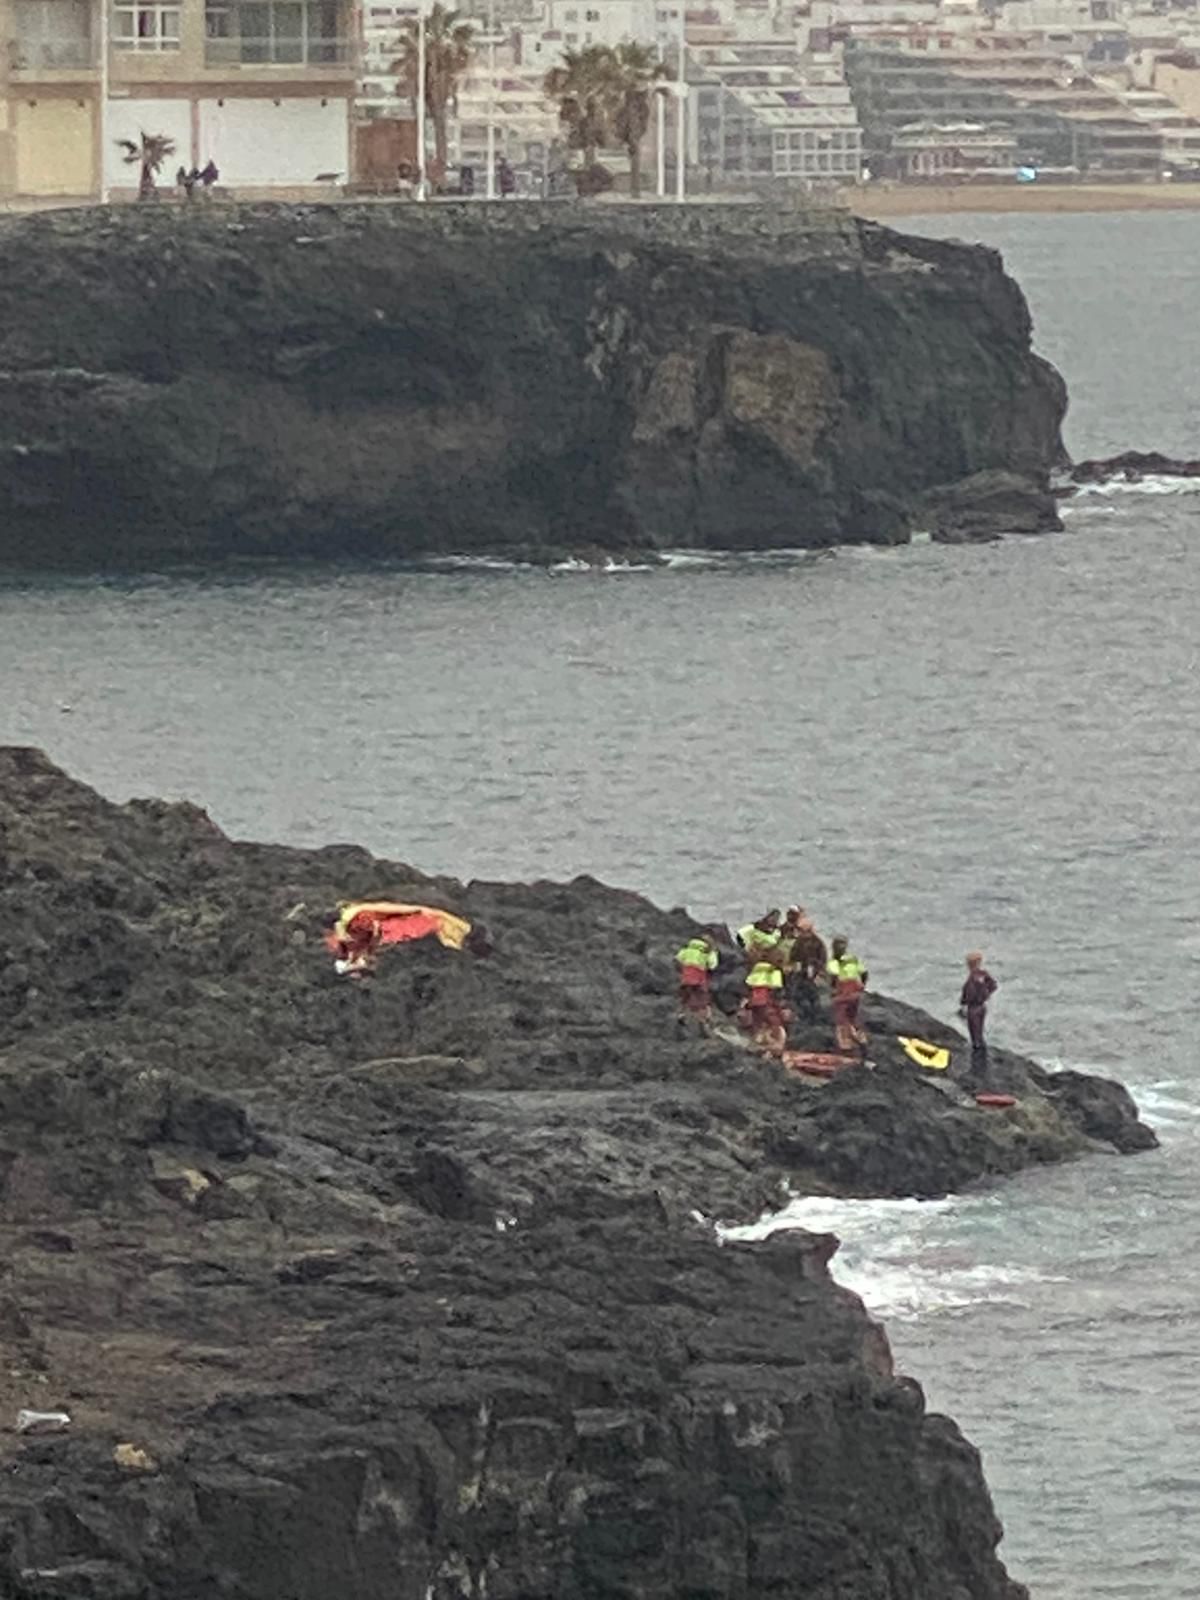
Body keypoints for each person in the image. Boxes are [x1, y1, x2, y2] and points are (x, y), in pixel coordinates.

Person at [827, 936, 868, 1055]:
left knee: (841, 1020)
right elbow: (864, 973)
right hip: (855, 991)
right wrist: (862, 986)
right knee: (853, 1018)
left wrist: (833, 990)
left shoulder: (834, 962)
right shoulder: (853, 959)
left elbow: (834, 977)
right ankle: (861, 1039)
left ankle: (846, 1046)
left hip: (843, 992)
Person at [743, 953, 789, 1058]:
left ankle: (760, 1045)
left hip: (756, 1003)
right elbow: (776, 989)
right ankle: (770, 1049)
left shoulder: (757, 970)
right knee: (771, 1022)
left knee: (758, 1024)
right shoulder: (774, 972)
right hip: (767, 1003)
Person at [785, 913, 828, 1023]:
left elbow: (823, 958)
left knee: (813, 995)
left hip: (813, 972)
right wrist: (793, 966)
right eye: (801, 930)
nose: (803, 933)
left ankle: (815, 1016)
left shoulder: (818, 942)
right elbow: (793, 956)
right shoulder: (799, 942)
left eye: (805, 930)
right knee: (797, 994)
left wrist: (819, 971)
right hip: (801, 972)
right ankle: (801, 1015)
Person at [960, 951, 998, 1067]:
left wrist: (963, 1002)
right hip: (982, 1006)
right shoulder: (983, 974)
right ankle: (981, 1055)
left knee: (974, 1033)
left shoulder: (971, 979)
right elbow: (993, 985)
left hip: (973, 1008)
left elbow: (967, 995)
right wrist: (986, 994)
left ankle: (978, 1060)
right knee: (979, 1031)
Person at [675, 932, 718, 1032]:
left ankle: (682, 1015)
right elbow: (712, 965)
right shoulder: (706, 953)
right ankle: (704, 1021)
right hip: (699, 980)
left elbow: (677, 960)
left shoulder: (686, 951)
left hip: (686, 979)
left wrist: (682, 971)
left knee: (685, 998)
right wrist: (713, 952)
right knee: (702, 1001)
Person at [333, 908, 382, 979]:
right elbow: (374, 941)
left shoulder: (344, 954)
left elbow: (341, 939)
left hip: (354, 933)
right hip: (364, 933)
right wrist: (376, 928)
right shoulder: (367, 953)